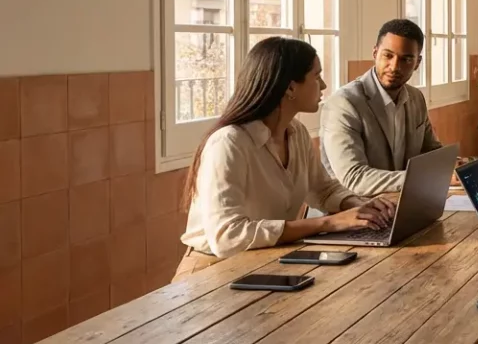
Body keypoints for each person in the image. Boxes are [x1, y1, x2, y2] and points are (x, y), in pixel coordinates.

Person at [175, 37, 396, 280]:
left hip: (264, 263)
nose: (323, 85)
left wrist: (357, 205)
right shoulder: (229, 143)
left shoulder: (296, 132)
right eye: (316, 76)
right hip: (211, 273)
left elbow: (322, 190)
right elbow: (228, 237)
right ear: (290, 88)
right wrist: (330, 223)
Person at [319, 18, 457, 197]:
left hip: (401, 203)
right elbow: (354, 178)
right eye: (388, 55)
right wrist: (427, 177)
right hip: (353, 211)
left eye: (406, 59)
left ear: (417, 63)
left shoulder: (416, 97)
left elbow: (430, 151)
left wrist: (452, 165)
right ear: (375, 53)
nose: (395, 67)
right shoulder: (344, 103)